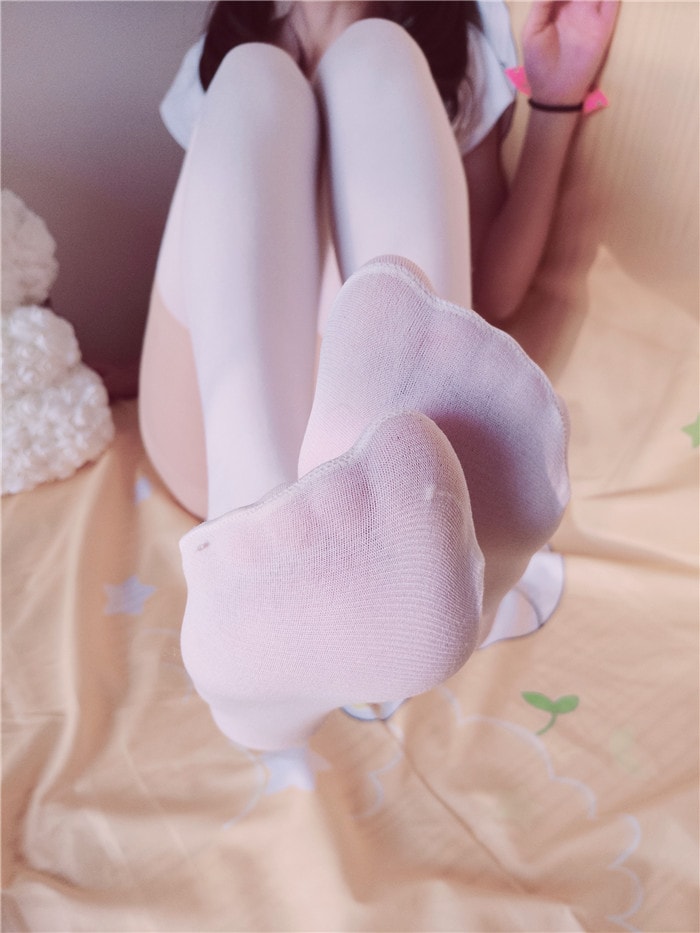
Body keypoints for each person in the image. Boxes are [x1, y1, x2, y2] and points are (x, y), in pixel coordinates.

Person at [139, 1, 618, 750]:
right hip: (214, 433)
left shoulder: (456, 41)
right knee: (255, 78)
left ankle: (393, 533)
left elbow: (492, 294)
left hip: (375, 426)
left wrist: (553, 105)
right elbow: (217, 258)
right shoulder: (216, 57)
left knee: (378, 58)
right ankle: (251, 561)